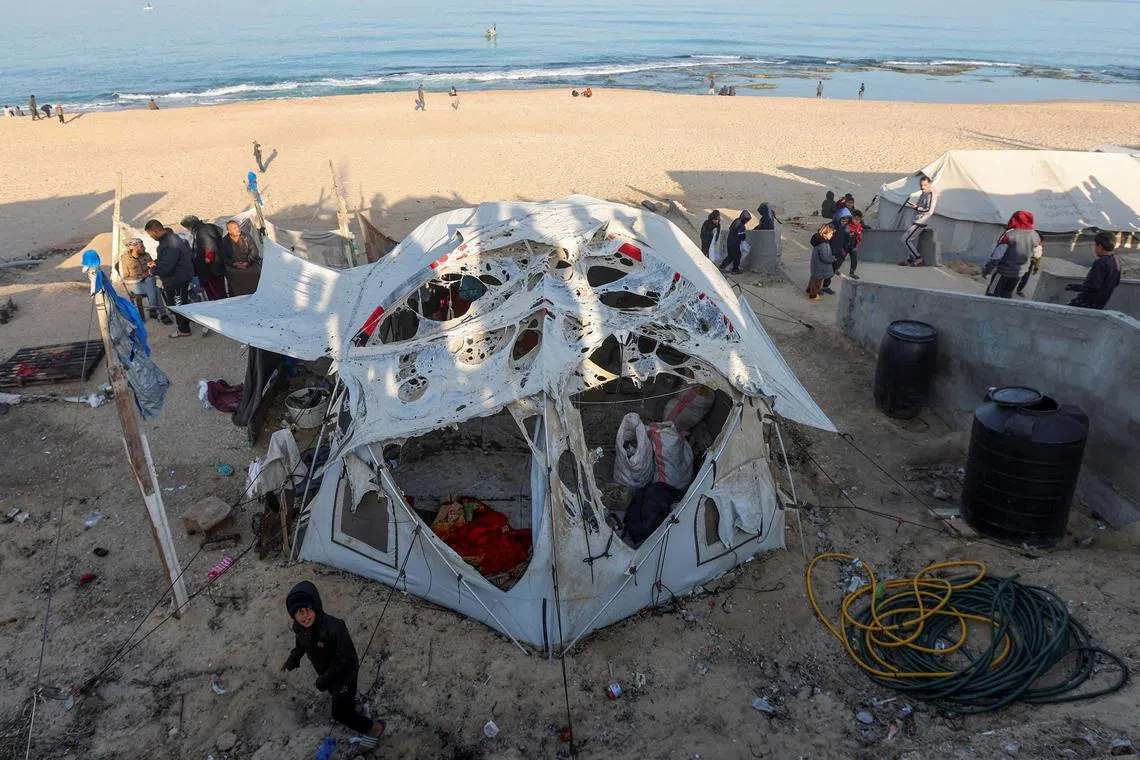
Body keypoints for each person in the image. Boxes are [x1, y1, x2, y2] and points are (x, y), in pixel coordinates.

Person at [282, 581, 386, 749]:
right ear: (293, 615)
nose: (305, 616)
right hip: (326, 672)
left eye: (308, 610)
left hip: (345, 673)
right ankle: (354, 706)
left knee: (339, 713)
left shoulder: (335, 627)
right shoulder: (300, 628)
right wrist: (293, 660)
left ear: (316, 606)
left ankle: (373, 729)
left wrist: (324, 679)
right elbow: (301, 645)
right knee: (338, 695)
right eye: (299, 613)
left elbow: (343, 658)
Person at [145, 220, 195, 338]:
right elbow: (167, 259)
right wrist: (156, 262)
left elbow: (168, 266)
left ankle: (184, 329)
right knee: (180, 302)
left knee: (178, 304)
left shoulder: (169, 243)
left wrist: (153, 271)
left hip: (177, 279)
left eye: (151, 235)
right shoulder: (170, 239)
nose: (151, 237)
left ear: (156, 231)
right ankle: (185, 324)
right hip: (180, 276)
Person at [983, 211, 1042, 299]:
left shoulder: (1009, 234)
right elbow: (1038, 254)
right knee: (1007, 294)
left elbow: (997, 255)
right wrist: (1036, 265)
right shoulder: (1035, 235)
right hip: (1019, 273)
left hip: (1003, 272)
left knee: (991, 293)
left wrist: (987, 269)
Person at [119, 238, 172, 323]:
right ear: (134, 248)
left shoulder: (146, 255)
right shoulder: (126, 259)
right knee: (155, 288)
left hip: (148, 282)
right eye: (142, 246)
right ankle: (162, 314)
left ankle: (154, 308)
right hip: (134, 285)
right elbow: (126, 277)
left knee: (152, 283)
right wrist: (141, 276)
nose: (144, 248)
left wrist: (152, 266)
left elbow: (153, 270)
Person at [1067, 233, 1121, 310]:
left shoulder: (1100, 262)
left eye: (1095, 245)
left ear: (1100, 247)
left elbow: (1094, 286)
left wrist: (1075, 287)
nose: (1094, 248)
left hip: (1088, 302)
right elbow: (1116, 282)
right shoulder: (1116, 261)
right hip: (1100, 303)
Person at [180, 215, 228, 301]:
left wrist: (208, 258)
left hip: (211, 269)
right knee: (214, 293)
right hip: (207, 268)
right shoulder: (201, 229)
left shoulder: (203, 229)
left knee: (218, 293)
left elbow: (209, 244)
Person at [899, 174, 936, 266]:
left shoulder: (930, 194)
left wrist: (917, 208)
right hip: (917, 219)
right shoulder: (924, 193)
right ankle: (910, 259)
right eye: (921, 185)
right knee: (911, 240)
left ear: (930, 184)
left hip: (921, 221)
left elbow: (929, 210)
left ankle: (918, 258)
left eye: (925, 185)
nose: (923, 187)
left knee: (905, 239)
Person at [221, 220, 262, 296]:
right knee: (232, 275)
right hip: (234, 265)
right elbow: (224, 257)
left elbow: (254, 251)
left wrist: (247, 262)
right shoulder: (225, 241)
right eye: (234, 228)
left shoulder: (247, 237)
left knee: (256, 272)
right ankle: (238, 296)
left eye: (238, 227)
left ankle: (256, 294)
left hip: (249, 262)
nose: (237, 229)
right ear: (229, 231)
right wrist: (234, 263)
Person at [822, 213, 851, 294]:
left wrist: (844, 249)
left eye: (846, 221)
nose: (844, 222)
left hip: (838, 253)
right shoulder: (831, 226)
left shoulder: (845, 228)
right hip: (828, 252)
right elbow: (822, 239)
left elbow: (846, 240)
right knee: (822, 270)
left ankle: (825, 286)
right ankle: (814, 288)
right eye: (843, 220)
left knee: (833, 270)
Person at [807, 224, 836, 301]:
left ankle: (809, 289)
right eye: (831, 233)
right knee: (817, 282)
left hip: (816, 265)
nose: (832, 235)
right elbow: (825, 258)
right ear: (824, 233)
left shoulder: (819, 241)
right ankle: (813, 295)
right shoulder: (823, 244)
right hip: (820, 267)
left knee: (814, 279)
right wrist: (832, 259)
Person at [846, 210, 864, 279]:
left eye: (859, 219)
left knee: (854, 259)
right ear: (852, 218)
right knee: (840, 259)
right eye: (856, 219)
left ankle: (852, 272)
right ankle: (834, 268)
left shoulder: (859, 225)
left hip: (854, 245)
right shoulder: (847, 225)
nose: (857, 221)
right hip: (846, 245)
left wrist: (859, 239)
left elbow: (859, 233)